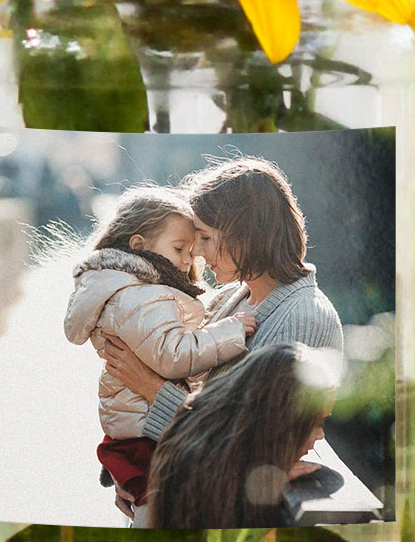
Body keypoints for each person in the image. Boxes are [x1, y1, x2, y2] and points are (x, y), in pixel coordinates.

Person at [94, 155, 345, 449]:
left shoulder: (303, 318)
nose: (197, 252)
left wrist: (150, 387)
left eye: (206, 238)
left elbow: (245, 443)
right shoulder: (231, 298)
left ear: (245, 235)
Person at [61, 185, 255, 517]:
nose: (187, 261)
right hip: (146, 432)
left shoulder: (128, 288)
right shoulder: (143, 296)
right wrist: (231, 331)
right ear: (139, 245)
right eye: (180, 249)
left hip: (135, 427)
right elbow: (174, 356)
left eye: (191, 252)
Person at [148, 342, 343, 529]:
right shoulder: (199, 460)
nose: (321, 435)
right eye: (316, 422)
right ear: (280, 418)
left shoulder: (203, 432)